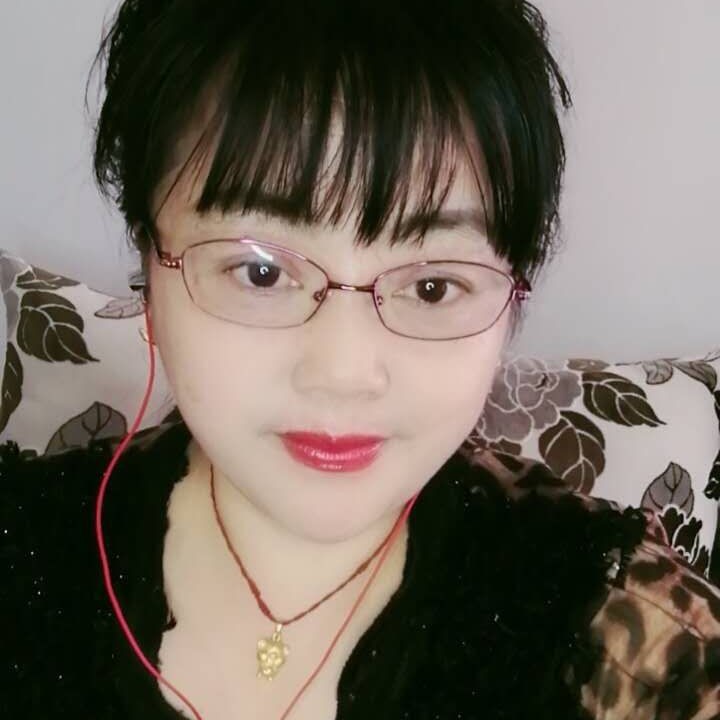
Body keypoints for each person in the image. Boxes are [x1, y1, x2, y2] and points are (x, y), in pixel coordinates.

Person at [1, 0, 719, 718]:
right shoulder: (24, 551)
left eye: (433, 286)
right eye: (261, 272)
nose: (343, 374)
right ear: (148, 265)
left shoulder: (632, 639)